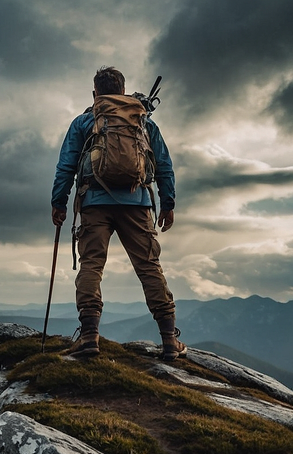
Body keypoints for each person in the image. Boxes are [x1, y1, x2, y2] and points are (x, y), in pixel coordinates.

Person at [51, 66, 187, 361]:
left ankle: (89, 336)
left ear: (95, 93)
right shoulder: (142, 121)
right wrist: (169, 204)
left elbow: (66, 166)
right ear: (123, 92)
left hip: (93, 202)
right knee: (149, 267)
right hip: (137, 203)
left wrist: (59, 202)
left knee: (91, 266)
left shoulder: (84, 122)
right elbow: (163, 164)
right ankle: (168, 340)